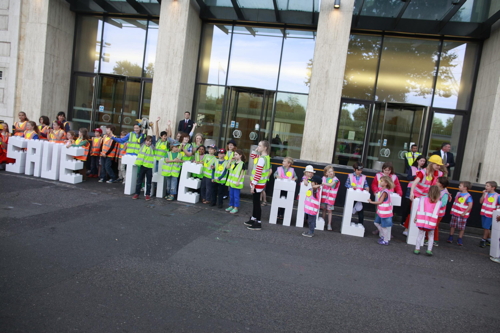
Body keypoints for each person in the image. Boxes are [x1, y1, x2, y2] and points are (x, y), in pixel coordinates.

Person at [404, 155, 446, 235]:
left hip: (428, 197)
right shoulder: (423, 172)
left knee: (424, 214)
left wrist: (446, 192)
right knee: (414, 212)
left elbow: (441, 185)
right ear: (432, 163)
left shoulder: (440, 174)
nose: (439, 166)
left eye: (440, 165)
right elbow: (414, 183)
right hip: (418, 195)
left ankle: (420, 232)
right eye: (437, 164)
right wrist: (412, 193)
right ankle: (407, 229)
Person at [244, 140, 271, 231]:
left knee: (256, 203)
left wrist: (253, 185)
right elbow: (252, 156)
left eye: (259, 146)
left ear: (265, 148)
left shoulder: (262, 159)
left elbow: (258, 173)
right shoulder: (265, 157)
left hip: (257, 184)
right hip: (260, 183)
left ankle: (258, 222)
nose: (258, 147)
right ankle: (253, 219)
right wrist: (255, 150)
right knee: (255, 202)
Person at [414, 185, 441, 256]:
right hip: (431, 222)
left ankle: (417, 249)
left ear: (429, 191)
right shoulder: (438, 203)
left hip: (422, 221)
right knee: (431, 236)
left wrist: (415, 217)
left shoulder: (422, 199)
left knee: (420, 235)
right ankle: (429, 250)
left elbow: (418, 209)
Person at [368, 175, 394, 245]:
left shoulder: (385, 192)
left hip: (385, 214)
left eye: (382, 181)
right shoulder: (383, 191)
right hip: (381, 213)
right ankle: (383, 235)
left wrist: (371, 202)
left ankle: (385, 240)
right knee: (376, 223)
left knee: (384, 227)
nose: (380, 182)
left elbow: (380, 202)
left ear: (386, 183)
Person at [401, 155, 427, 226]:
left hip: (420, 189)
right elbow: (408, 177)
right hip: (411, 188)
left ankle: (410, 222)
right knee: (407, 205)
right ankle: (403, 221)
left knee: (415, 206)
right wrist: (417, 176)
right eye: (421, 161)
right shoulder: (412, 168)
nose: (422, 162)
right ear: (417, 161)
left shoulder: (425, 170)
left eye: (424, 161)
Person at [425, 176, 450, 247]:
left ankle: (435, 240)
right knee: (429, 225)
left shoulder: (445, 193)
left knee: (434, 226)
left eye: (437, 181)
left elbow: (443, 203)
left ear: (441, 184)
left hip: (439, 214)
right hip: (433, 212)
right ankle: (428, 238)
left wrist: (434, 204)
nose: (435, 182)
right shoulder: (436, 190)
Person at [447, 181, 473, 246]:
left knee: (461, 227)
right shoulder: (458, 193)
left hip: (462, 215)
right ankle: (451, 236)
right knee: (452, 225)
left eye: (460, 186)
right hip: (455, 213)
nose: (459, 187)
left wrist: (464, 213)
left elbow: (470, 205)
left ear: (465, 188)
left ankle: (460, 238)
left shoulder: (468, 196)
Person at [132, 136, 155, 201]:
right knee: (139, 180)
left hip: (149, 167)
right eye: (147, 141)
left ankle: (147, 195)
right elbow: (141, 138)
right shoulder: (142, 145)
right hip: (142, 166)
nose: (148, 142)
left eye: (150, 141)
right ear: (145, 141)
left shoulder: (152, 147)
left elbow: (154, 139)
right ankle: (137, 193)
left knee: (148, 182)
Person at [479, 181, 500, 248]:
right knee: (485, 227)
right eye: (486, 186)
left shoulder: (497, 196)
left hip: (491, 214)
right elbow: (481, 202)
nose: (486, 187)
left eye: (487, 186)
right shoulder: (486, 194)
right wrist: (483, 195)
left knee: (486, 227)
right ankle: (490, 239)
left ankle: (483, 239)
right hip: (483, 213)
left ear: (493, 188)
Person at [226, 149, 246, 214]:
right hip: (232, 183)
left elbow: (241, 174)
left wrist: (238, 181)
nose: (235, 156)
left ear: (240, 155)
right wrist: (230, 161)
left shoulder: (242, 164)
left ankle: (236, 207)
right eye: (234, 154)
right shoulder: (233, 163)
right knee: (231, 195)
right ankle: (231, 206)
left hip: (237, 183)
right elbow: (227, 167)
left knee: (236, 196)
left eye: (236, 154)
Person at [321, 165, 339, 231]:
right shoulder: (323, 178)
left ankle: (329, 224)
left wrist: (322, 183)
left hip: (330, 199)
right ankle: (322, 222)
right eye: (329, 171)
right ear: (326, 173)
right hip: (324, 198)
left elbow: (331, 185)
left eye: (332, 171)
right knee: (324, 210)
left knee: (330, 211)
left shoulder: (335, 179)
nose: (331, 172)